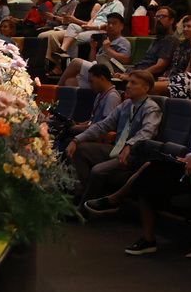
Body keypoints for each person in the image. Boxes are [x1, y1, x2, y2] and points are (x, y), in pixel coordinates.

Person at [98, 78, 191, 256]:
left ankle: (118, 203)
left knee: (149, 174)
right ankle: (143, 234)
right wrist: (187, 158)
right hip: (188, 167)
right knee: (149, 169)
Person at [68, 68, 163, 203]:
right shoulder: (126, 105)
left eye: (134, 83)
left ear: (146, 88)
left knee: (98, 170)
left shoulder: (152, 108)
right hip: (117, 149)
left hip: (134, 156)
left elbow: (148, 132)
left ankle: (87, 207)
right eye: (128, 82)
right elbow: (103, 126)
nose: (128, 85)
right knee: (80, 149)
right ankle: (80, 195)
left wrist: (130, 146)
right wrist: (77, 139)